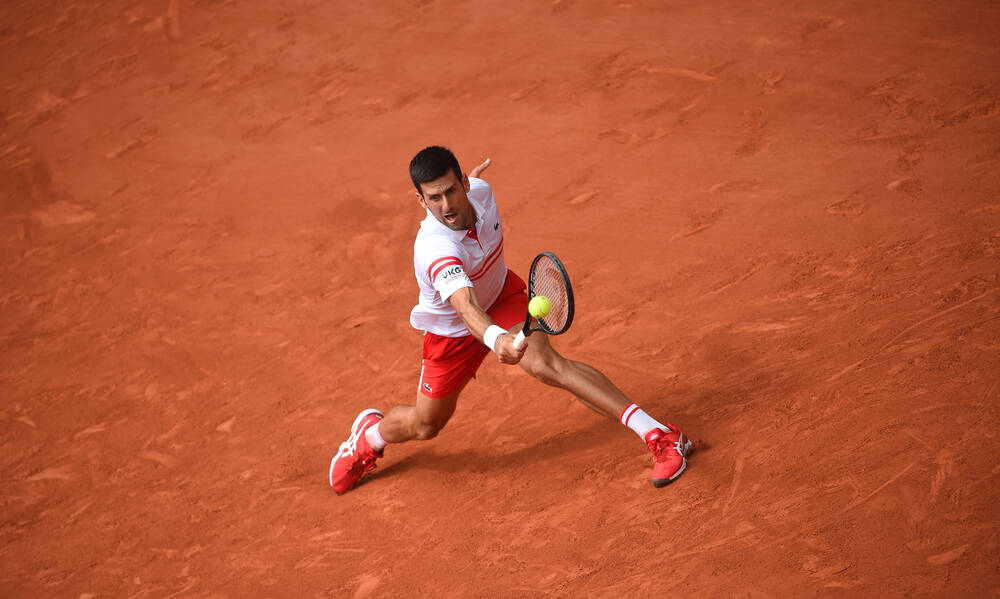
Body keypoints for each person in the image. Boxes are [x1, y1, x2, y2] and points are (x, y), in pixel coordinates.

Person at [329, 146, 692, 493]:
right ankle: (369, 437)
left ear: (466, 185)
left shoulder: (482, 194)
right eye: (434, 198)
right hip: (454, 332)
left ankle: (660, 435)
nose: (447, 205)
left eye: (452, 191)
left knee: (546, 365)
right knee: (425, 425)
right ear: (420, 202)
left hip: (501, 296)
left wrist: (499, 330)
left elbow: (471, 211)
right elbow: (464, 305)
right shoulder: (434, 248)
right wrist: (494, 338)